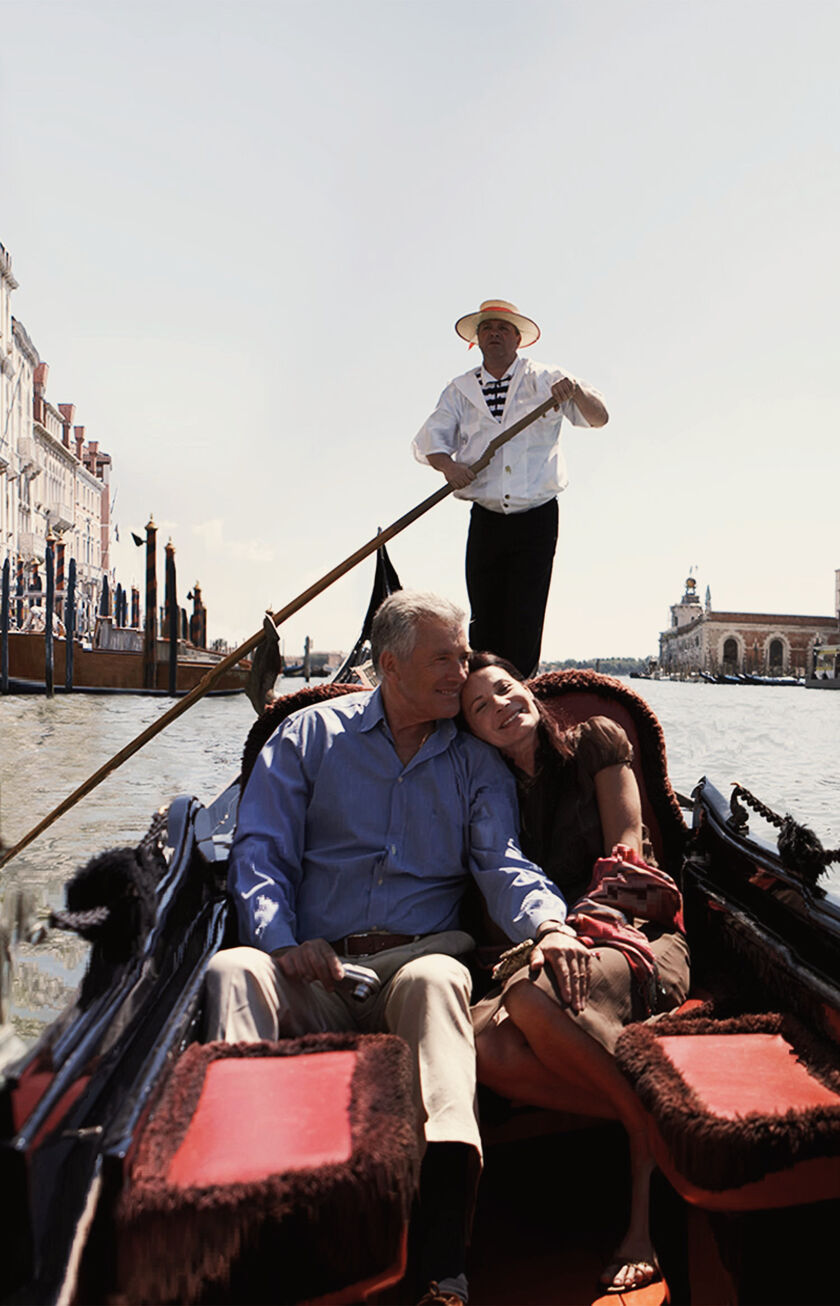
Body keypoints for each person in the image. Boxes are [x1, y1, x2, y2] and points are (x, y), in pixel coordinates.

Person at [204, 592, 572, 1306]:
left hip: (413, 968)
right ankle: (244, 1225)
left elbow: (501, 863)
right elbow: (259, 855)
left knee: (439, 981)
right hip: (310, 971)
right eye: (447, 657)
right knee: (231, 970)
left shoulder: (475, 762)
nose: (460, 671)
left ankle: (442, 1266)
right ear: (389, 665)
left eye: (464, 655)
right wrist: (281, 944)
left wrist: (547, 923)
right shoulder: (308, 736)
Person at [460, 652, 690, 1295]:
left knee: (530, 998)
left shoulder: (596, 741)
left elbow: (629, 859)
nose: (500, 707)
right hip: (548, 950)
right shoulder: (488, 789)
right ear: (471, 730)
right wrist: (546, 937)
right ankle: (645, 1124)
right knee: (481, 1042)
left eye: (505, 690)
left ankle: (641, 1207)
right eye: (479, 707)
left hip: (634, 936)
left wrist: (567, 930)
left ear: (526, 691)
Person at [412, 299, 608, 677]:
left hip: (536, 517)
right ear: (478, 340)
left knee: (525, 616)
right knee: (483, 619)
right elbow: (430, 442)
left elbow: (599, 418)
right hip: (486, 519)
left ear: (518, 339)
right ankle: (483, 695)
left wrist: (578, 391)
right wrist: (449, 466)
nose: (495, 334)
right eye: (488, 329)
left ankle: (518, 692)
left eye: (503, 329)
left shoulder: (546, 378)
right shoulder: (459, 390)